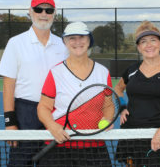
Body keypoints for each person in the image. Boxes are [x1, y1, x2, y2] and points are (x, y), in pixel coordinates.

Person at [0, 0, 68, 166]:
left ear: (54, 13)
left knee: (53, 163)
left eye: (48, 10)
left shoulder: (63, 44)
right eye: (39, 9)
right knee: (21, 163)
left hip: (55, 113)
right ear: (30, 11)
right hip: (24, 113)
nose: (44, 14)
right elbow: (8, 85)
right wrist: (10, 123)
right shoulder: (16, 43)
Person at [37, 21, 112, 166]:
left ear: (89, 40)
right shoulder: (55, 72)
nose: (77, 42)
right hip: (60, 146)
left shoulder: (103, 72)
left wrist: (107, 120)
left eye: (82, 37)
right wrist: (52, 126)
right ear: (65, 42)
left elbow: (108, 105)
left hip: (94, 146)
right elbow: (43, 107)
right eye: (72, 38)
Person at [115, 21, 160, 166]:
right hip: (131, 134)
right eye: (143, 42)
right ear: (139, 47)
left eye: (153, 40)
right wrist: (122, 108)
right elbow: (118, 89)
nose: (149, 45)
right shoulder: (131, 70)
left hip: (159, 136)